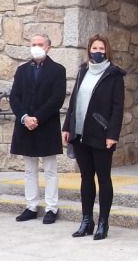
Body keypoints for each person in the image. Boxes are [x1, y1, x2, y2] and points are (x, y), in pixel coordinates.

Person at [62, 34, 125, 241]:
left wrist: (112, 134)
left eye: (101, 49)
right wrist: (67, 126)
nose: (97, 52)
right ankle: (86, 220)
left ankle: (103, 222)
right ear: (89, 50)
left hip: (101, 133)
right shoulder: (82, 71)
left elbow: (118, 108)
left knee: (103, 178)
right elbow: (74, 101)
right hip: (80, 132)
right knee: (86, 178)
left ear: (107, 51)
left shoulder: (114, 75)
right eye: (94, 48)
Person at [9, 33, 67, 224]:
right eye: (33, 44)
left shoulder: (58, 70)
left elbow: (57, 99)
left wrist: (38, 118)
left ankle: (51, 207)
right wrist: (25, 117)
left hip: (46, 124)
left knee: (50, 169)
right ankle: (31, 206)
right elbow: (14, 97)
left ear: (48, 47)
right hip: (25, 126)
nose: (36, 47)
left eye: (40, 44)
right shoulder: (22, 70)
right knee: (29, 169)